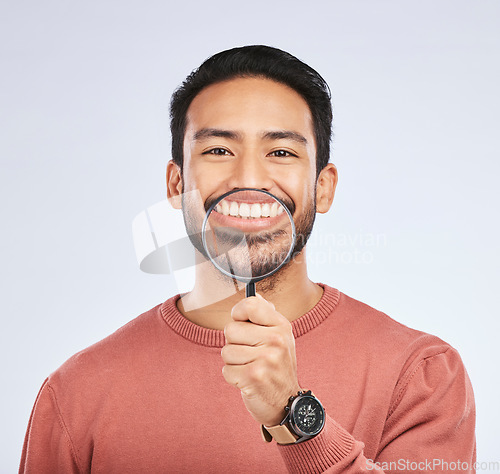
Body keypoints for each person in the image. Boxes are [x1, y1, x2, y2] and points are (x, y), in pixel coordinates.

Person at [19, 45, 476, 473]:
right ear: (177, 185)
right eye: (219, 150)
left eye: (281, 152)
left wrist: (294, 415)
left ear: (324, 187)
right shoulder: (76, 393)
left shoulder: (422, 375)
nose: (250, 177)